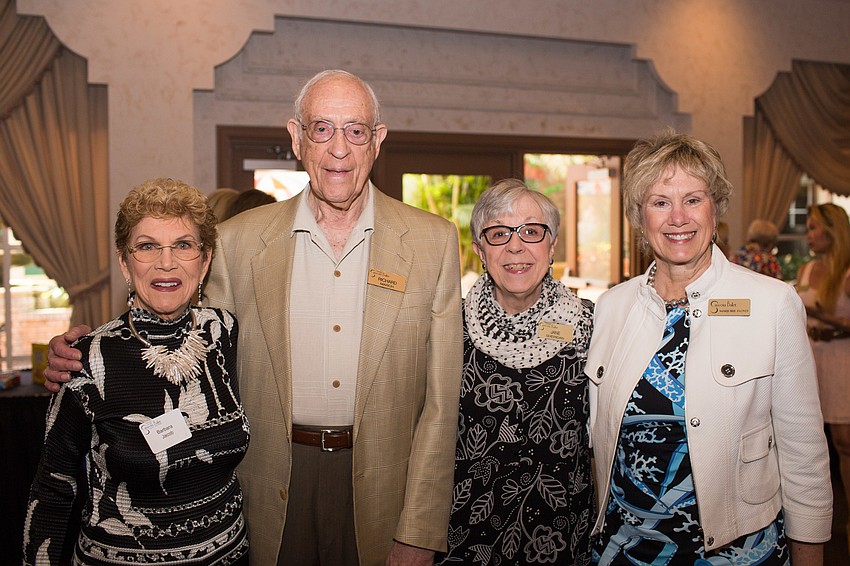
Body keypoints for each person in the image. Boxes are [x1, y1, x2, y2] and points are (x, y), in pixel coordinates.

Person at [44, 70, 463, 566]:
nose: (340, 149)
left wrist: (419, 531)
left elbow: (441, 405)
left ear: (378, 140)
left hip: (385, 487)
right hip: (267, 485)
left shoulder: (433, 242)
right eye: (322, 128)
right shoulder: (239, 241)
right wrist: (79, 356)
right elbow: (182, 340)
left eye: (356, 130)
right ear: (296, 138)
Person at [586, 131, 832, 565]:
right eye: (660, 202)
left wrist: (809, 553)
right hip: (625, 548)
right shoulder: (611, 308)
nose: (678, 217)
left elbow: (803, 449)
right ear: (639, 218)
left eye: (693, 199)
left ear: (715, 208)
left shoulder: (772, 303)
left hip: (738, 551)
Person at [25, 178, 249, 564]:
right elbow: (52, 489)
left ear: (205, 259)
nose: (167, 262)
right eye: (147, 246)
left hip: (230, 555)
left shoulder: (224, 332)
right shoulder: (86, 359)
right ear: (124, 262)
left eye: (183, 245)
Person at [436, 179, 595, 565]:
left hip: (560, 537)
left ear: (552, 244)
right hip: (465, 536)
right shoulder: (447, 327)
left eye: (531, 231)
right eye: (498, 233)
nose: (515, 246)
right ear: (479, 250)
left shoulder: (592, 326)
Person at [796, 202, 850, 547]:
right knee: (807, 440)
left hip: (841, 359)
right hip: (809, 357)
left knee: (845, 442)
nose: (809, 235)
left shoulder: (846, 273)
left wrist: (828, 321)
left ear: (833, 232)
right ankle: (811, 520)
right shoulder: (806, 269)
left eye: (815, 228)